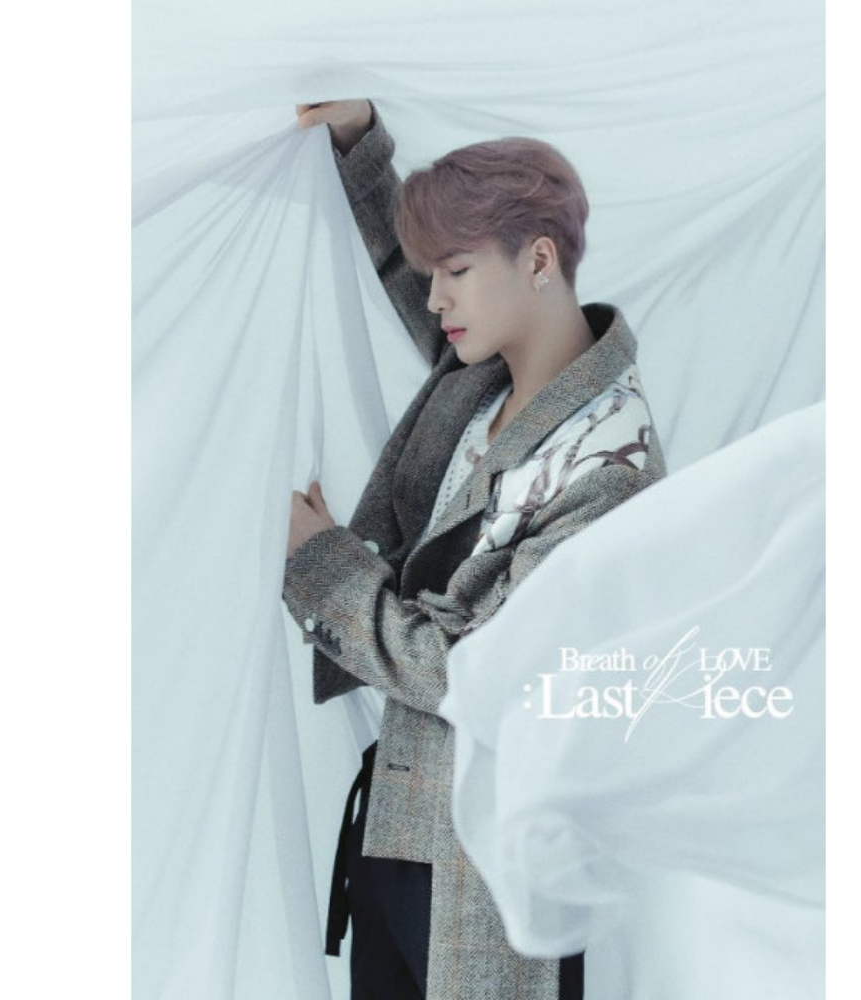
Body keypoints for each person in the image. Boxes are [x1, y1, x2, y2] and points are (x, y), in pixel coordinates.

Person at [283, 99, 667, 1000]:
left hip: (488, 869)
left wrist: (325, 569)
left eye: (455, 270)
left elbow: (480, 673)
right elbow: (401, 266)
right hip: (398, 829)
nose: (435, 297)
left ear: (538, 260)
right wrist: (358, 142)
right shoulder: (483, 379)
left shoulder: (609, 464)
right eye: (435, 273)